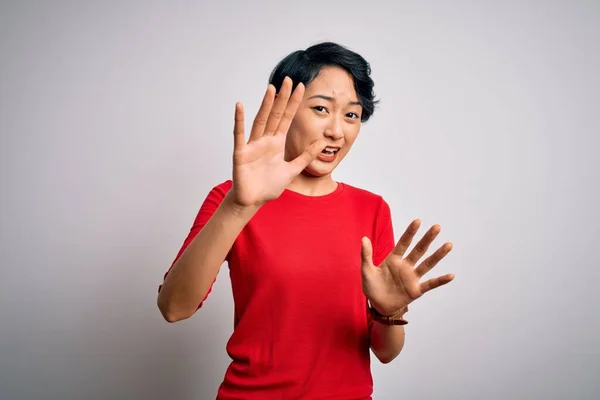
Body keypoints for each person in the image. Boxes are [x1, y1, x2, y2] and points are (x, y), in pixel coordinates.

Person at [157, 42, 455, 400]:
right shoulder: (231, 198)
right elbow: (174, 308)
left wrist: (387, 311)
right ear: (285, 110)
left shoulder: (372, 209)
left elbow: (387, 352)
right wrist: (239, 206)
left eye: (351, 115)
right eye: (320, 109)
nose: (336, 131)